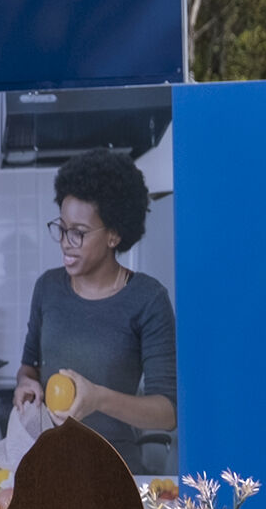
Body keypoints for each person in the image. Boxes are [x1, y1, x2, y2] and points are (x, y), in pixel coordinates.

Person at [17, 150, 177, 473]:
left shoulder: (148, 299)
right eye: (62, 228)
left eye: (78, 232)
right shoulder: (47, 288)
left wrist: (98, 398)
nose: (65, 242)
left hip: (116, 472)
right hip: (50, 468)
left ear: (114, 234)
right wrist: (25, 386)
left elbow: (167, 413)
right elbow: (28, 368)